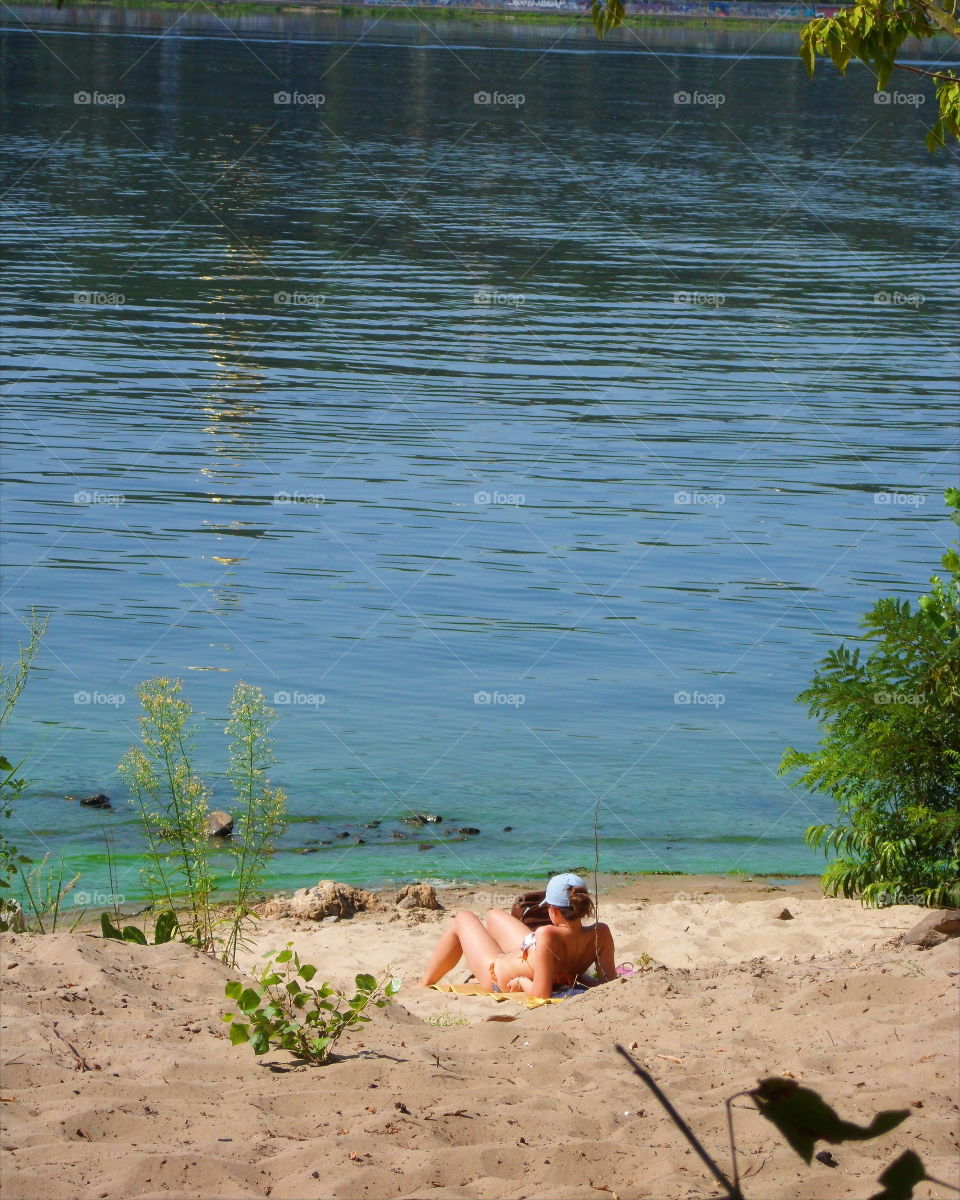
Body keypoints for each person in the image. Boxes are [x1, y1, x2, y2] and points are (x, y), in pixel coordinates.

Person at [417, 872, 616, 1000]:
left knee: (463, 918)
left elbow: (541, 995)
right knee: (494, 915)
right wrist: (577, 977)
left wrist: (521, 982)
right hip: (535, 959)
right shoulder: (601, 932)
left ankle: (424, 983)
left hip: (496, 975)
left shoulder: (547, 933)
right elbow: (609, 985)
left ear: (553, 911)